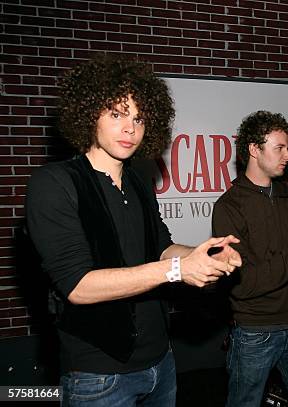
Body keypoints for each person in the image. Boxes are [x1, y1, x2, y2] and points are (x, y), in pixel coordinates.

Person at [26, 55, 242, 406]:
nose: (130, 128)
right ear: (89, 112)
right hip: (98, 375)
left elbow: (162, 247)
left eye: (139, 118)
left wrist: (203, 256)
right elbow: (78, 286)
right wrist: (177, 270)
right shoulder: (54, 183)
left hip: (161, 363)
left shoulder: (139, 183)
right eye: (117, 114)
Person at [212, 111, 288, 407]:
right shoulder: (229, 207)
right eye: (280, 148)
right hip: (256, 333)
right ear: (254, 150)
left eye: (287, 147)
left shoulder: (283, 194)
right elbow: (242, 284)